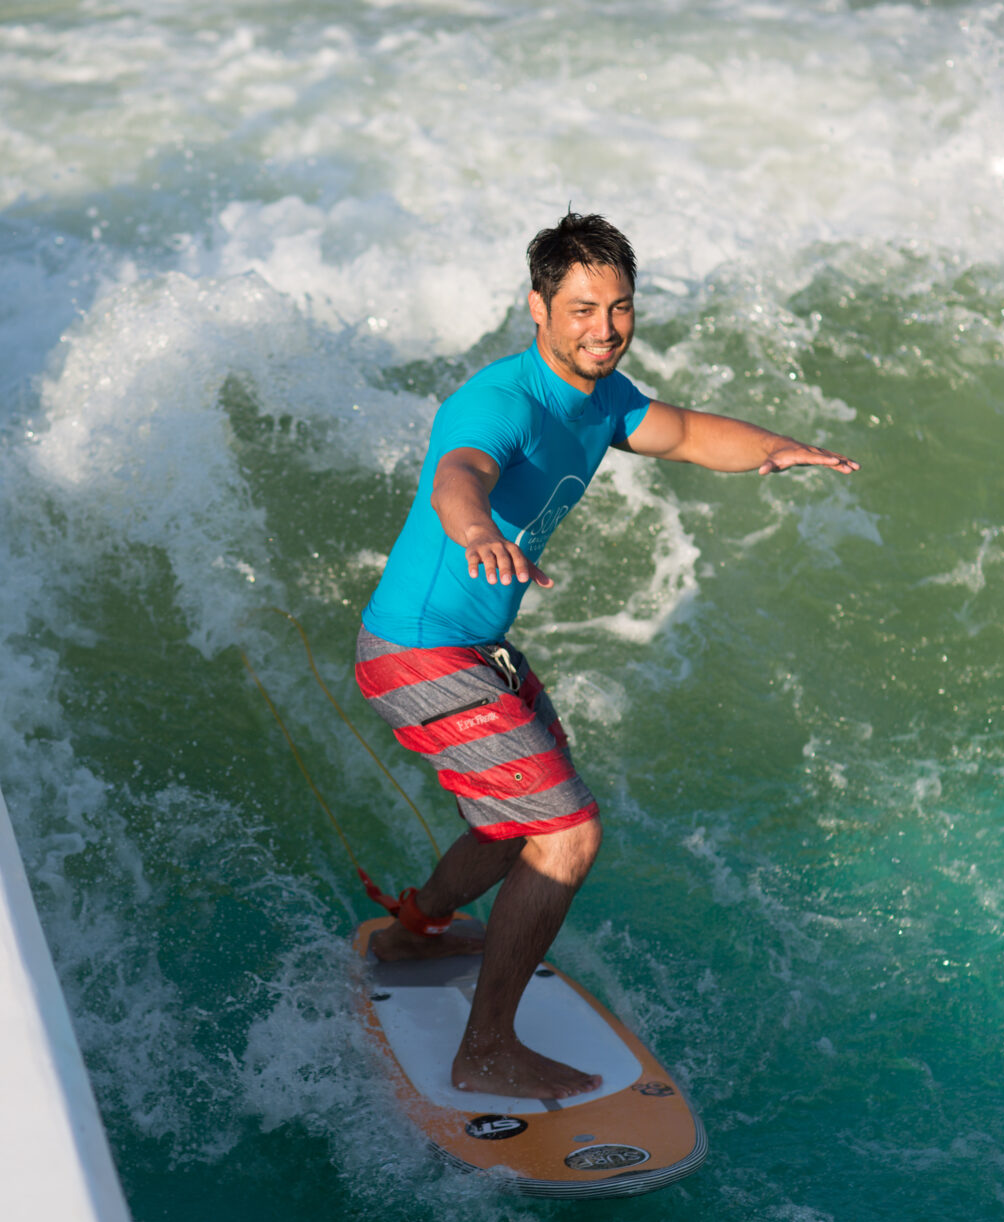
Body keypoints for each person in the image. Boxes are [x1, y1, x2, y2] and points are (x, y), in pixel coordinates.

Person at [356, 212, 858, 1099]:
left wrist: (772, 449)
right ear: (538, 308)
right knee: (567, 830)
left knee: (519, 818)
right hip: (420, 650)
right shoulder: (501, 403)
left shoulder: (603, 397)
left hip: (471, 647)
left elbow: (688, 432)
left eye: (619, 307)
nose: (605, 328)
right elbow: (458, 476)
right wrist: (477, 532)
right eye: (583, 309)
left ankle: (411, 932)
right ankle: (485, 1051)